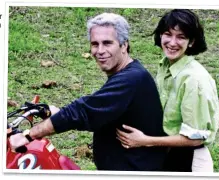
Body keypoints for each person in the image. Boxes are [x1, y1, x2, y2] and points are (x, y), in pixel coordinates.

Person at [9, 12, 168, 171]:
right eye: (94, 44)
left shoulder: (131, 79)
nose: (99, 50)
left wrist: (28, 135)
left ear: (124, 45)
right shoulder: (129, 73)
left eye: (107, 43)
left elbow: (83, 111)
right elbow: (97, 108)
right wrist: (55, 113)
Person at [116, 9, 219, 172]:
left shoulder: (194, 80)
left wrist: (145, 140)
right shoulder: (165, 65)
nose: (172, 42)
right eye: (168, 34)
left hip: (189, 160)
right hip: (168, 155)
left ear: (191, 42)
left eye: (181, 37)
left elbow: (195, 139)